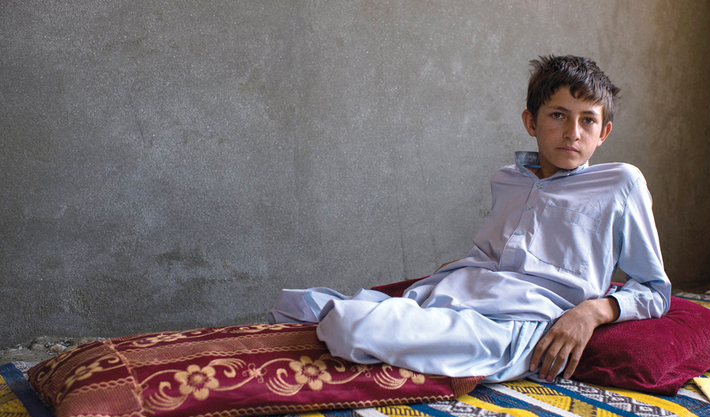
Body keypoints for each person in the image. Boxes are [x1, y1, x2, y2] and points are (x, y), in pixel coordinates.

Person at [269, 55, 670, 384]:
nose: (573, 133)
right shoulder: (507, 179)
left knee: (348, 327)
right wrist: (458, 271)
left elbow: (655, 290)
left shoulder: (621, 183)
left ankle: (378, 322)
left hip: (514, 324)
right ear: (531, 122)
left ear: (604, 132)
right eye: (558, 116)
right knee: (295, 306)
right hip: (456, 292)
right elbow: (496, 251)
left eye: (588, 120)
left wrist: (593, 311)